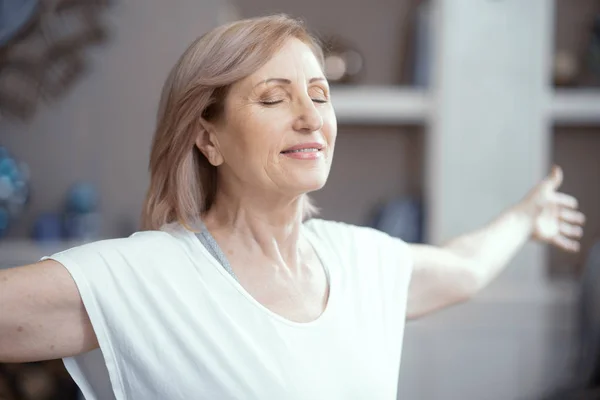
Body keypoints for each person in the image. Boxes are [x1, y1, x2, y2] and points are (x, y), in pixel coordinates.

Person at [0, 14, 586, 400]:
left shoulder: (363, 261)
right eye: (273, 98)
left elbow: (465, 267)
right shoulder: (146, 275)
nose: (309, 116)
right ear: (209, 137)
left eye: (319, 94)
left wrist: (523, 219)